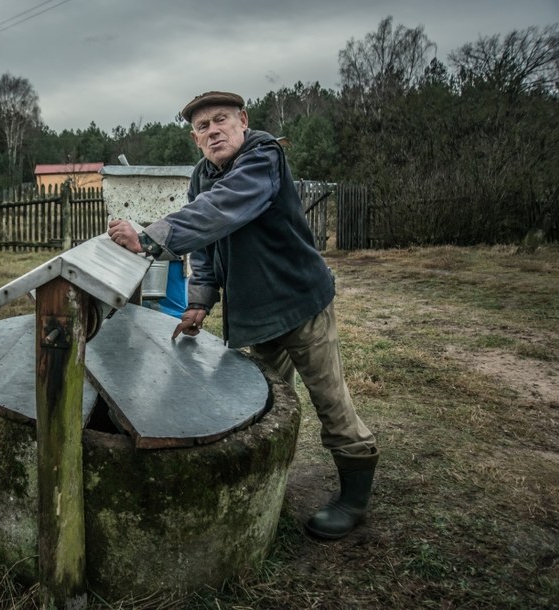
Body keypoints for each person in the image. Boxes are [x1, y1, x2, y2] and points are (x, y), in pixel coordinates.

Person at [107, 91, 379, 540]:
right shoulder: (202, 176)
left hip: (301, 303)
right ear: (195, 139)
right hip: (256, 312)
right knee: (267, 404)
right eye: (202, 127)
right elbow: (210, 243)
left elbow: (224, 209)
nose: (212, 131)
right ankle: (271, 481)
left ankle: (354, 499)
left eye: (220, 120)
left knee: (330, 401)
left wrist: (152, 238)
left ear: (243, 121)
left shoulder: (261, 158)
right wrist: (199, 301)